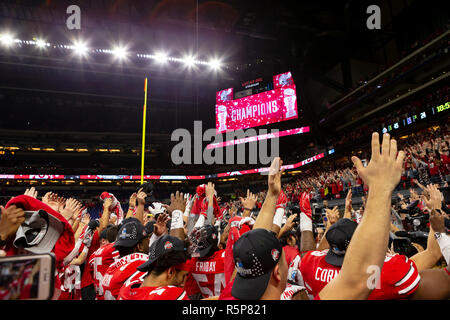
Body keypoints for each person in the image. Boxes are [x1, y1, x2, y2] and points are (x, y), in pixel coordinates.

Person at [118, 234, 191, 300]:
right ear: (170, 272)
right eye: (183, 276)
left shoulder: (126, 288)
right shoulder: (171, 295)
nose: (183, 284)